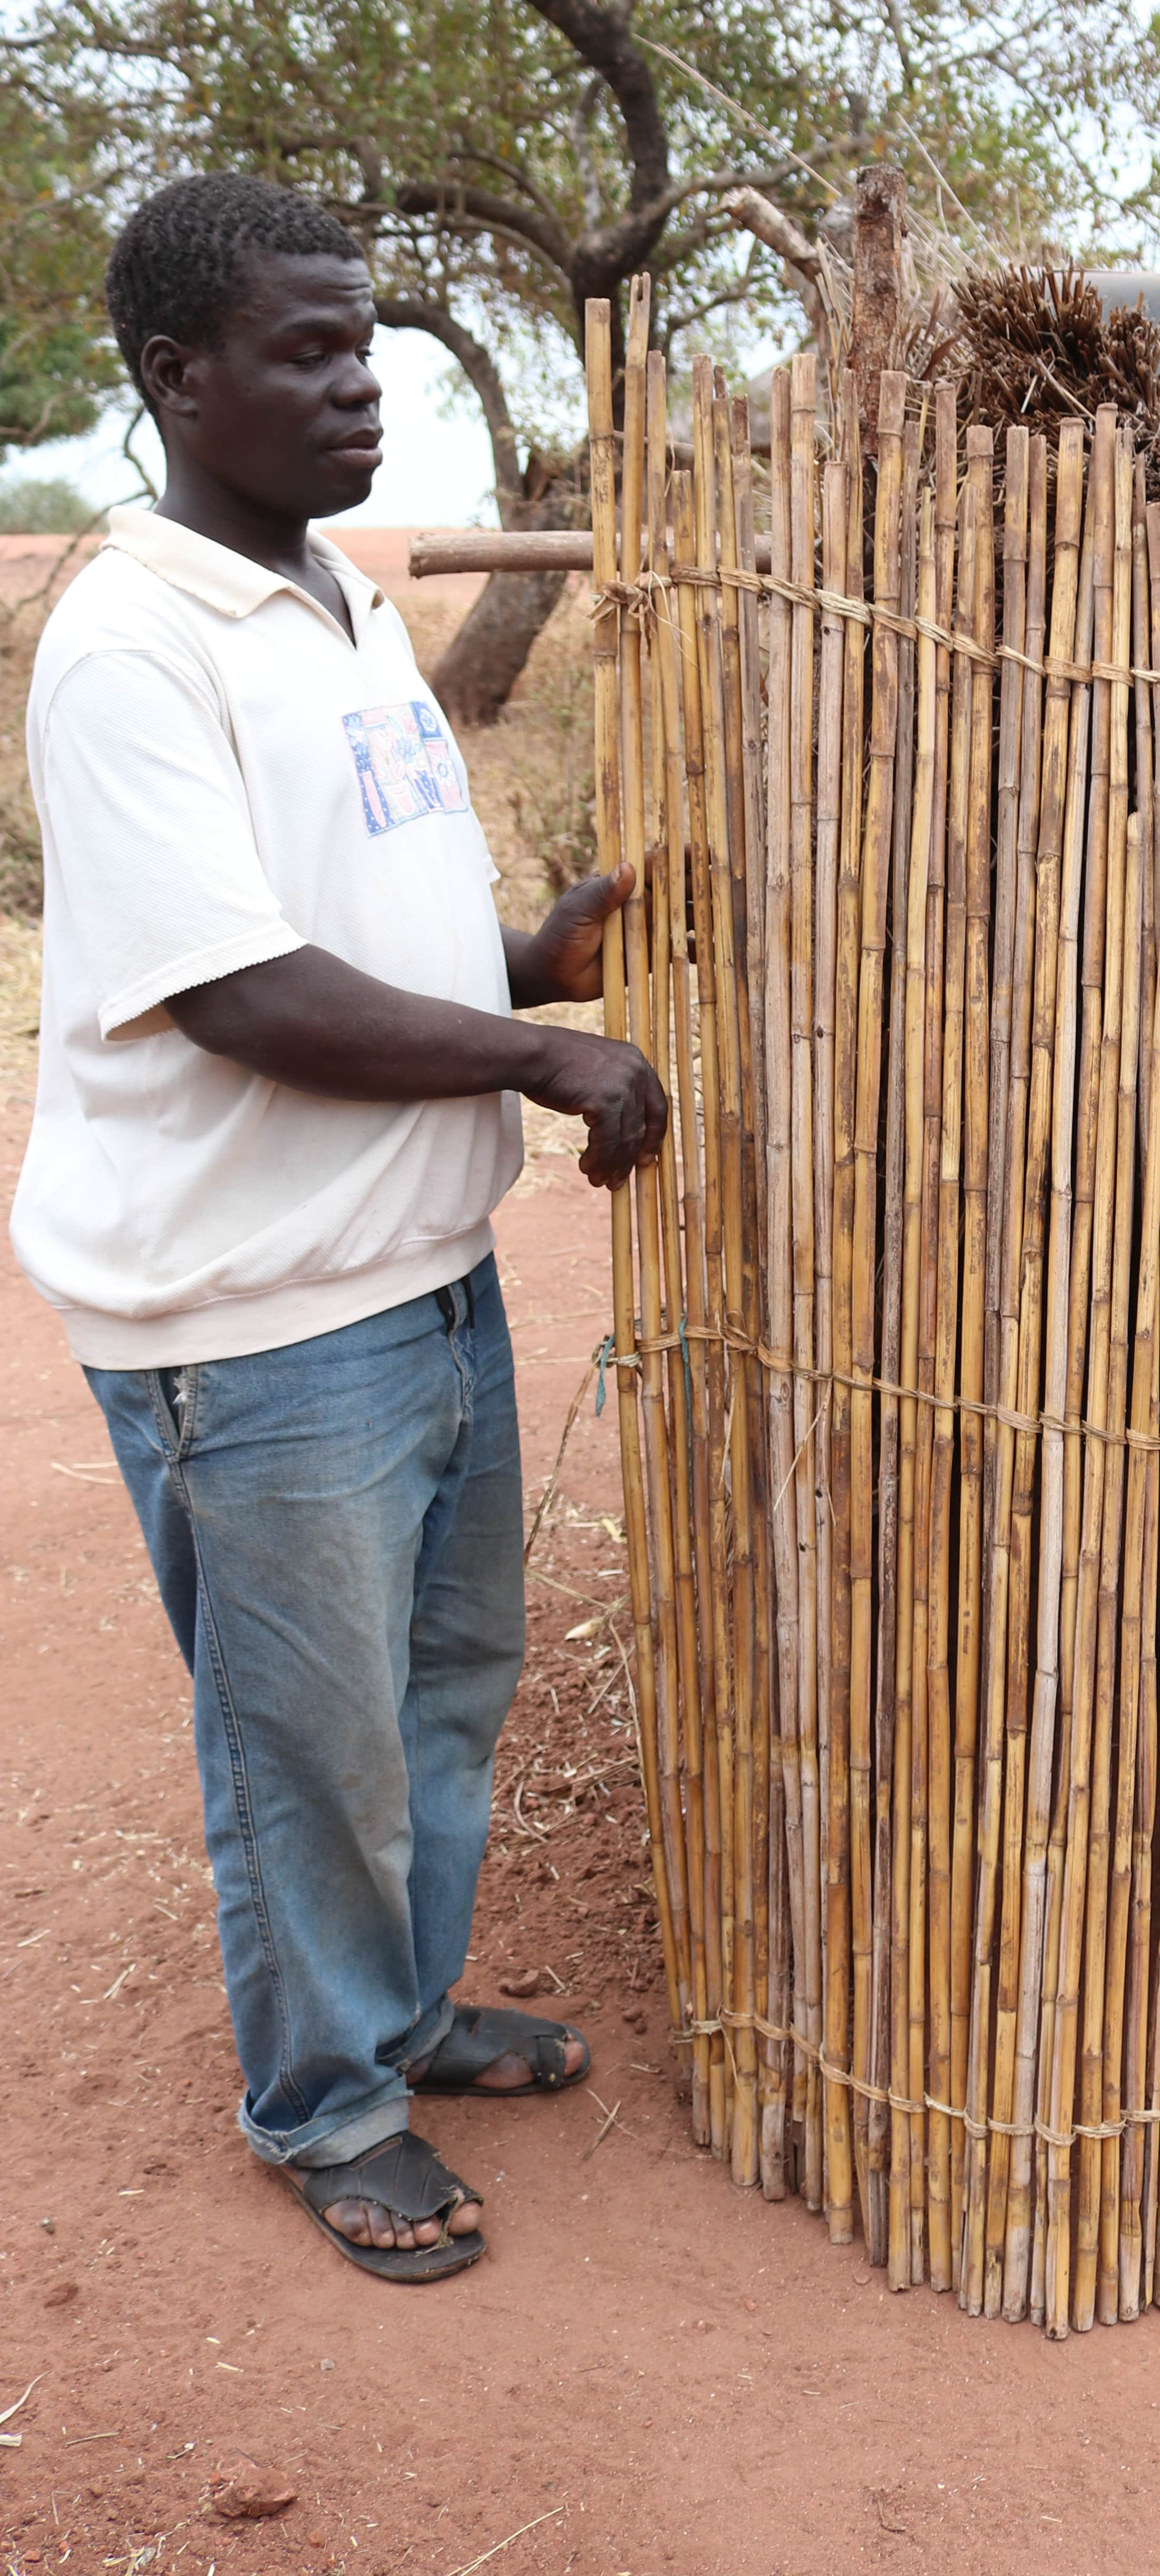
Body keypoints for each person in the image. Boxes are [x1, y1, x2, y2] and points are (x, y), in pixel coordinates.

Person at [10, 172, 668, 2282]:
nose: (357, 388)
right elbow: (243, 996)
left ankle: (399, 2011)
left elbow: (348, 929)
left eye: (364, 344)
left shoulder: (341, 595)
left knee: (445, 1689)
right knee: (310, 1745)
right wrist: (535, 1068)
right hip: (259, 1319)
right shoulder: (128, 645)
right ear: (175, 375)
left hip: (418, 1274)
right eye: (305, 353)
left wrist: (520, 970)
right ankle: (327, 2106)